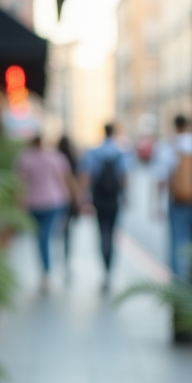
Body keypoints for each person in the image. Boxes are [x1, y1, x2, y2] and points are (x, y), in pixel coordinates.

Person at [14, 135, 76, 291]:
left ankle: (46, 272)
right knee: (45, 237)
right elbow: (63, 180)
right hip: (53, 202)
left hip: (34, 203)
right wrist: (70, 198)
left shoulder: (24, 158)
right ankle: (47, 271)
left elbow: (20, 183)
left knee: (41, 237)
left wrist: (19, 204)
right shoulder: (55, 157)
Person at [80, 123, 129, 290]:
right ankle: (109, 268)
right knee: (113, 233)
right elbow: (125, 176)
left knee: (103, 233)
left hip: (99, 199)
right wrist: (125, 197)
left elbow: (86, 176)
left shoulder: (94, 152)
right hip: (114, 199)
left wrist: (85, 198)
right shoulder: (120, 152)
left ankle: (105, 269)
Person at [153, 114, 192, 280]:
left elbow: (161, 178)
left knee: (177, 241)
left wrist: (159, 205)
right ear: (187, 125)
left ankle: (178, 280)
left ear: (175, 126)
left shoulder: (169, 147)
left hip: (177, 200)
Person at [56, 135, 79, 274]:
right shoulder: (72, 159)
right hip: (68, 199)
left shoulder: (56, 158)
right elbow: (74, 180)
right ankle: (66, 258)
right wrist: (77, 199)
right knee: (68, 232)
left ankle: (59, 258)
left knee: (58, 230)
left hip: (57, 200)